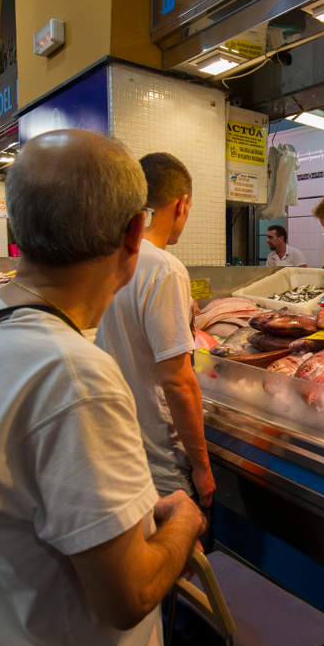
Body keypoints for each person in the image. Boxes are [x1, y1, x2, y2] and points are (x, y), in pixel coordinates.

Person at [0, 130, 205, 646]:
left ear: (19, 228)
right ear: (134, 232)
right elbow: (127, 595)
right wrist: (184, 520)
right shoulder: (75, 379)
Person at [96, 153, 216, 510]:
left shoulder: (106, 257)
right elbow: (178, 382)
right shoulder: (165, 269)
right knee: (178, 559)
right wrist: (202, 467)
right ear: (181, 204)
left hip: (115, 450)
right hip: (159, 462)